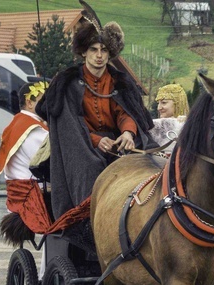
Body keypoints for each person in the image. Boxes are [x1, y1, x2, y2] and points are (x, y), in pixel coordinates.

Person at [36, 0, 156, 220]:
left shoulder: (120, 81)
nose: (99, 55)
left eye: (103, 50)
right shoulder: (68, 83)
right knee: (91, 166)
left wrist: (129, 132)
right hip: (81, 146)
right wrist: (96, 141)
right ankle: (89, 220)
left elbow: (125, 112)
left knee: (149, 163)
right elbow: (69, 124)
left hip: (117, 144)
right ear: (84, 52)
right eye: (93, 49)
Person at [0, 81, 50, 275]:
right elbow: (51, 163)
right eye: (44, 101)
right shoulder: (33, 129)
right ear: (29, 102)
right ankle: (48, 276)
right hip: (35, 195)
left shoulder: (17, 123)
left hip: (26, 191)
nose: (49, 106)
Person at [149, 83, 189, 151]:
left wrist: (187, 121)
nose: (159, 108)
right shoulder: (155, 126)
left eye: (164, 103)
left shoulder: (190, 125)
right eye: (158, 103)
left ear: (178, 103)